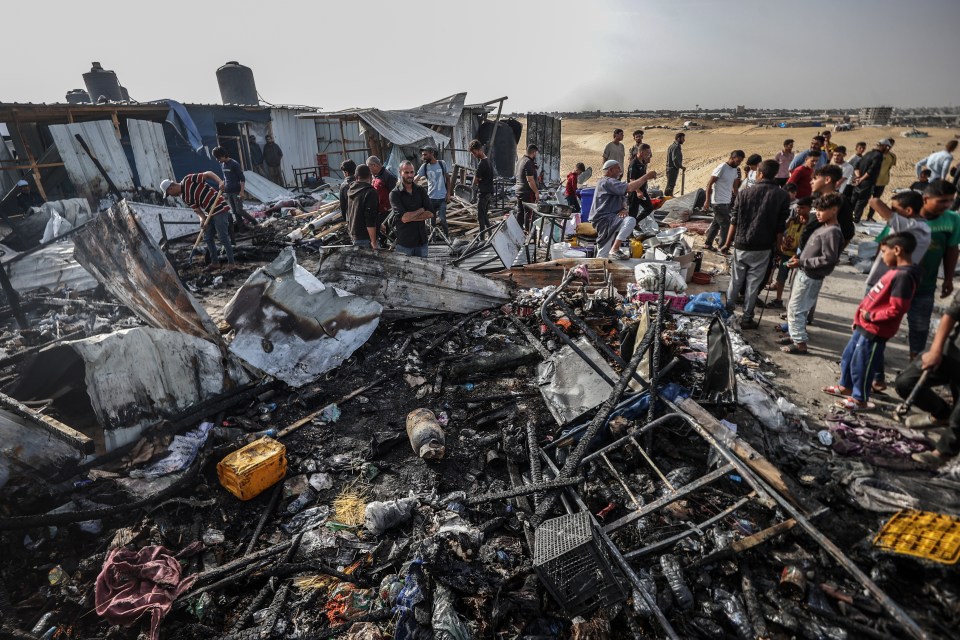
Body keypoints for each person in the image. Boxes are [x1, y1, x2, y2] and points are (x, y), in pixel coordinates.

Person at [826, 233, 920, 410]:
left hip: (876, 329)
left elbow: (897, 308)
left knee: (863, 363)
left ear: (897, 250)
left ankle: (860, 398)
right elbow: (872, 299)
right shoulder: (894, 272)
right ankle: (845, 386)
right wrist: (859, 318)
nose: (882, 256)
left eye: (884, 252)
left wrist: (871, 317)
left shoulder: (904, 277)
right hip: (864, 325)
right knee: (849, 356)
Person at [863, 190, 931, 392]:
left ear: (909, 211)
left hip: (887, 285)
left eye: (896, 209)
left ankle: (876, 378)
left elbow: (875, 202)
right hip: (882, 281)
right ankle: (876, 375)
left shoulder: (916, 227)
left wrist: (873, 193)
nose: (893, 213)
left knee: (875, 331)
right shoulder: (911, 225)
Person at [720, 159, 791, 328]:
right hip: (763, 247)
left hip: (741, 244)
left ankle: (728, 312)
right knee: (753, 284)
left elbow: (734, 220)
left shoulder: (744, 193)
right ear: (774, 175)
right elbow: (780, 227)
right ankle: (746, 318)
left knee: (735, 281)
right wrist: (779, 249)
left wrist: (727, 243)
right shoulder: (782, 196)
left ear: (760, 173)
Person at [895, 290, 960, 466]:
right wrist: (936, 350)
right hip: (953, 351)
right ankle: (941, 414)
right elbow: (951, 314)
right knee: (905, 383)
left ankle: (943, 453)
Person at [780, 193, 845, 354]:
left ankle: (800, 343)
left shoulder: (832, 232)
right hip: (805, 272)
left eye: (822, 210)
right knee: (795, 307)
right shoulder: (824, 227)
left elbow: (828, 259)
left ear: (834, 210)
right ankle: (795, 336)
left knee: (797, 309)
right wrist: (800, 257)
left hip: (810, 276)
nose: (817, 213)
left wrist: (802, 262)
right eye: (817, 209)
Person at [905, 180, 960, 359]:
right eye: (942, 201)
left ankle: (914, 366)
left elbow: (951, 249)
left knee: (920, 328)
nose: (948, 206)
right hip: (897, 285)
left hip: (925, 286)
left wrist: (949, 279)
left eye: (951, 201)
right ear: (926, 199)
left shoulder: (952, 219)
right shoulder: (907, 215)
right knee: (882, 327)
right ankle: (876, 374)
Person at [160, 173, 234, 269]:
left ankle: (231, 263)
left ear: (170, 188)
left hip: (219, 207)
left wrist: (220, 182)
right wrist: (202, 219)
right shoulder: (183, 197)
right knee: (207, 237)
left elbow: (208, 174)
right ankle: (215, 262)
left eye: (169, 194)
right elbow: (198, 210)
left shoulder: (188, 180)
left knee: (222, 236)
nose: (171, 196)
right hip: (210, 212)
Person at [592, 159, 656, 259]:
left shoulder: (613, 183)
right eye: (617, 168)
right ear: (610, 170)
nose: (620, 170)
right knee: (603, 252)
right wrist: (646, 177)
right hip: (605, 220)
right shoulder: (606, 181)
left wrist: (624, 209)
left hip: (613, 218)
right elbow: (629, 188)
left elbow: (623, 199)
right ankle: (614, 250)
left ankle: (614, 249)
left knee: (630, 221)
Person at [767, 196, 812, 309]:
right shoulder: (792, 221)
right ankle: (778, 300)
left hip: (799, 258)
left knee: (796, 282)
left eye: (802, 208)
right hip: (786, 255)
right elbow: (781, 231)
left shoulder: (810, 224)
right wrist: (780, 245)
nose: (798, 210)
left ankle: (793, 305)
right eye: (798, 208)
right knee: (781, 278)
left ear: (809, 209)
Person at [798, 164, 855, 245]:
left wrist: (834, 254)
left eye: (815, 178)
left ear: (827, 179)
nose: (811, 182)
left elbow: (847, 233)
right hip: (804, 248)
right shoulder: (816, 197)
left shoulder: (840, 201)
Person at [389, 160, 433, 258]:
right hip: (405, 244)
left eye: (412, 172)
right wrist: (420, 210)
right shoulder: (394, 194)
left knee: (424, 272)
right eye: (406, 172)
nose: (410, 175)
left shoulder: (420, 190)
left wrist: (410, 217)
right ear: (400, 173)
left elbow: (430, 213)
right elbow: (404, 218)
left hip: (422, 242)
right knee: (404, 273)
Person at [704, 150, 745, 250]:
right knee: (726, 225)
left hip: (726, 201)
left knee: (716, 223)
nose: (739, 163)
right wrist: (707, 200)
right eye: (737, 161)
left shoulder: (735, 169)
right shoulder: (722, 167)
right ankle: (722, 247)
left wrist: (739, 199)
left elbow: (735, 187)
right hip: (717, 201)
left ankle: (708, 244)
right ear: (732, 157)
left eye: (740, 161)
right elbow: (709, 184)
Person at [212, 146, 257, 231]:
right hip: (228, 191)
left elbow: (242, 178)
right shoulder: (222, 165)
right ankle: (241, 229)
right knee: (235, 212)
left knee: (239, 210)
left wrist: (242, 191)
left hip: (236, 191)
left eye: (218, 158)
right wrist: (223, 185)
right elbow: (225, 177)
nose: (218, 160)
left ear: (223, 155)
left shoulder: (234, 164)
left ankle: (254, 222)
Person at [851, 139, 891, 223]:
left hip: (859, 181)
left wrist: (858, 177)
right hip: (867, 182)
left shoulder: (868, 153)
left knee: (854, 199)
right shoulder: (878, 156)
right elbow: (871, 170)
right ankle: (856, 220)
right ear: (884, 146)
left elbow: (857, 166)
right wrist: (862, 179)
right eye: (888, 147)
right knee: (862, 201)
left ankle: (848, 217)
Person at [416, 146, 452, 236]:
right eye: (422, 155)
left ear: (432, 153)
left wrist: (448, 194)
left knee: (442, 219)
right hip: (431, 199)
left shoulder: (441, 163)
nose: (423, 157)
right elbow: (416, 180)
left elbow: (448, 179)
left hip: (442, 198)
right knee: (432, 222)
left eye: (425, 155)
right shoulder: (424, 167)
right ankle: (433, 239)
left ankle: (447, 237)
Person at [346, 165, 380, 249]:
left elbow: (356, 212)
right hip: (366, 238)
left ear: (356, 177)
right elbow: (369, 219)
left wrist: (379, 224)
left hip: (354, 234)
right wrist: (374, 242)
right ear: (370, 176)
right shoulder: (370, 192)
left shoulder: (351, 190)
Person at [469, 140, 494, 237]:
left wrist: (474, 186)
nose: (473, 155)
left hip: (483, 193)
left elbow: (475, 181)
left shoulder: (482, 164)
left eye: (474, 152)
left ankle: (482, 238)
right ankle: (490, 234)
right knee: (484, 215)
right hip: (489, 192)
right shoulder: (488, 161)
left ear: (479, 150)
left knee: (480, 216)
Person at [367, 156, 398, 225]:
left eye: (369, 167)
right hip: (378, 210)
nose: (369, 170)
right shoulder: (375, 176)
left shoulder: (388, 176)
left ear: (375, 165)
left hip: (387, 212)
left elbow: (394, 194)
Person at [514, 144, 539, 229]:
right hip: (527, 192)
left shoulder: (521, 160)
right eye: (536, 153)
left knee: (520, 211)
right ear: (534, 152)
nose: (536, 155)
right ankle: (528, 233)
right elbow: (530, 180)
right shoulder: (528, 162)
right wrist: (536, 192)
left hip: (518, 190)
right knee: (528, 212)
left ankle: (518, 231)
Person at [627, 145, 654, 219]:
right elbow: (631, 179)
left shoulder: (643, 162)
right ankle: (630, 227)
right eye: (647, 152)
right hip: (634, 191)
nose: (648, 154)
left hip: (642, 189)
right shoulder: (633, 164)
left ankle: (636, 223)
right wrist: (638, 191)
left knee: (649, 208)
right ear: (641, 153)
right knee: (633, 213)